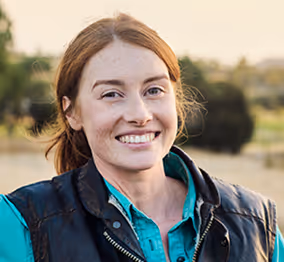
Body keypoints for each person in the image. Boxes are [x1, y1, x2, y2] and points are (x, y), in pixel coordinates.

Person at [0, 13, 283, 262]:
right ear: (72, 112)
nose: (140, 114)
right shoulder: (21, 224)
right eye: (111, 94)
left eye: (154, 90)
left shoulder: (258, 224)